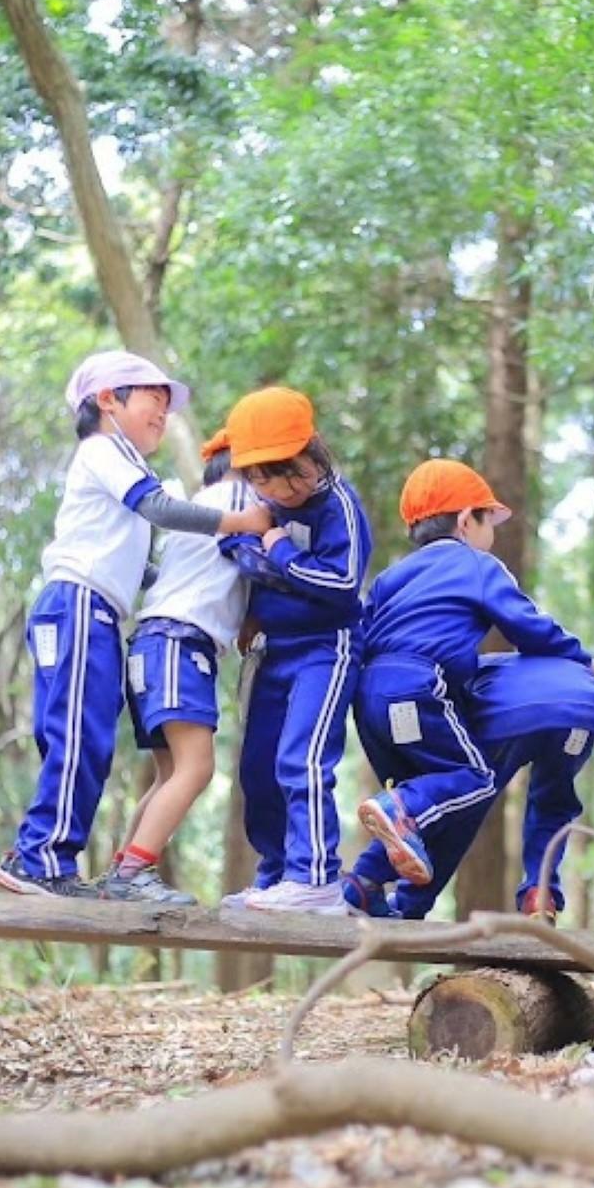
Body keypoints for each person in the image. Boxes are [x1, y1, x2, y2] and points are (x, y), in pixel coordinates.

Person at [0, 352, 271, 898]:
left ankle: (50, 854)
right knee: (75, 736)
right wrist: (237, 522)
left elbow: (137, 562)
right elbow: (161, 510)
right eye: (153, 401)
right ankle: (39, 857)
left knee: (89, 739)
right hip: (77, 605)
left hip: (100, 611)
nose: (161, 417)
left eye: (167, 409)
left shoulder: (126, 462)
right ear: (107, 401)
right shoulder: (102, 450)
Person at [347, 460, 594, 894]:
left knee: (436, 796)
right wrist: (583, 660)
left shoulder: (390, 578)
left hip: (369, 700)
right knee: (474, 779)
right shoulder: (476, 565)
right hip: (421, 685)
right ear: (464, 521)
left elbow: (363, 631)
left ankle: (363, 884)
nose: (491, 533)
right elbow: (526, 625)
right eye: (487, 519)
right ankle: (399, 809)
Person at [345, 654, 594, 921]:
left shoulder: (499, 664)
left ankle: (374, 885)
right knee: (553, 806)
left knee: (457, 806)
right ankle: (540, 894)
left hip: (507, 719)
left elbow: (457, 692)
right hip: (580, 720)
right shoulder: (588, 680)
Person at [217, 387, 372, 914]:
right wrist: (269, 563)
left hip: (326, 648)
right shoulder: (258, 505)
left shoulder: (339, 508)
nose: (270, 491)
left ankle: (317, 876)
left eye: (278, 476)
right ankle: (279, 873)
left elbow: (341, 584)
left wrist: (279, 550)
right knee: (259, 767)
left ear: (309, 459)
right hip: (273, 649)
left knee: (301, 757)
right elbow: (238, 551)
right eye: (256, 480)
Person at [108, 431, 257, 904]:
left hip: (153, 646)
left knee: (171, 772)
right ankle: (134, 872)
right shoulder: (242, 498)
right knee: (196, 768)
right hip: (179, 642)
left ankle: (122, 873)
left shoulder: (204, 503)